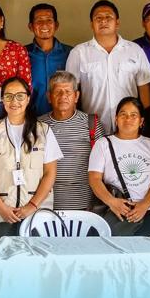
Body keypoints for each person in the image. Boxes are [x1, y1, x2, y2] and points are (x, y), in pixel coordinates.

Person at [0, 77, 61, 239]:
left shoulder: (44, 131)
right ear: (2, 99)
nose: (14, 101)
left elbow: (50, 173)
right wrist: (1, 208)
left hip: (36, 211)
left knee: (36, 254)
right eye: (9, 96)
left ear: (28, 98)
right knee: (2, 254)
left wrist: (32, 205)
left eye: (20, 96)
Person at [64, 0, 150, 130]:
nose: (103, 21)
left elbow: (144, 88)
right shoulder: (78, 53)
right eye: (98, 18)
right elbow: (70, 92)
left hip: (129, 126)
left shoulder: (135, 50)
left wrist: (146, 124)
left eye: (108, 17)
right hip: (92, 128)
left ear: (117, 23)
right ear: (91, 24)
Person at [88, 97, 150, 235]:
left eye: (133, 115)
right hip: (117, 212)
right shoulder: (103, 144)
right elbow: (94, 179)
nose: (128, 119)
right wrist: (112, 202)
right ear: (116, 119)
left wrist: (144, 205)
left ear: (141, 121)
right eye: (123, 114)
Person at [39, 70, 103, 211]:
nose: (63, 96)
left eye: (68, 92)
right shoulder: (39, 125)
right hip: (47, 203)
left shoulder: (91, 123)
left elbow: (103, 164)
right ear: (49, 97)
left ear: (76, 96)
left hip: (84, 204)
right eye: (58, 92)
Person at [25, 3, 70, 115]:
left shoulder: (71, 53)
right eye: (39, 20)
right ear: (30, 26)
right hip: (32, 119)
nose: (44, 25)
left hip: (64, 119)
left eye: (49, 20)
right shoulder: (22, 54)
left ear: (56, 25)